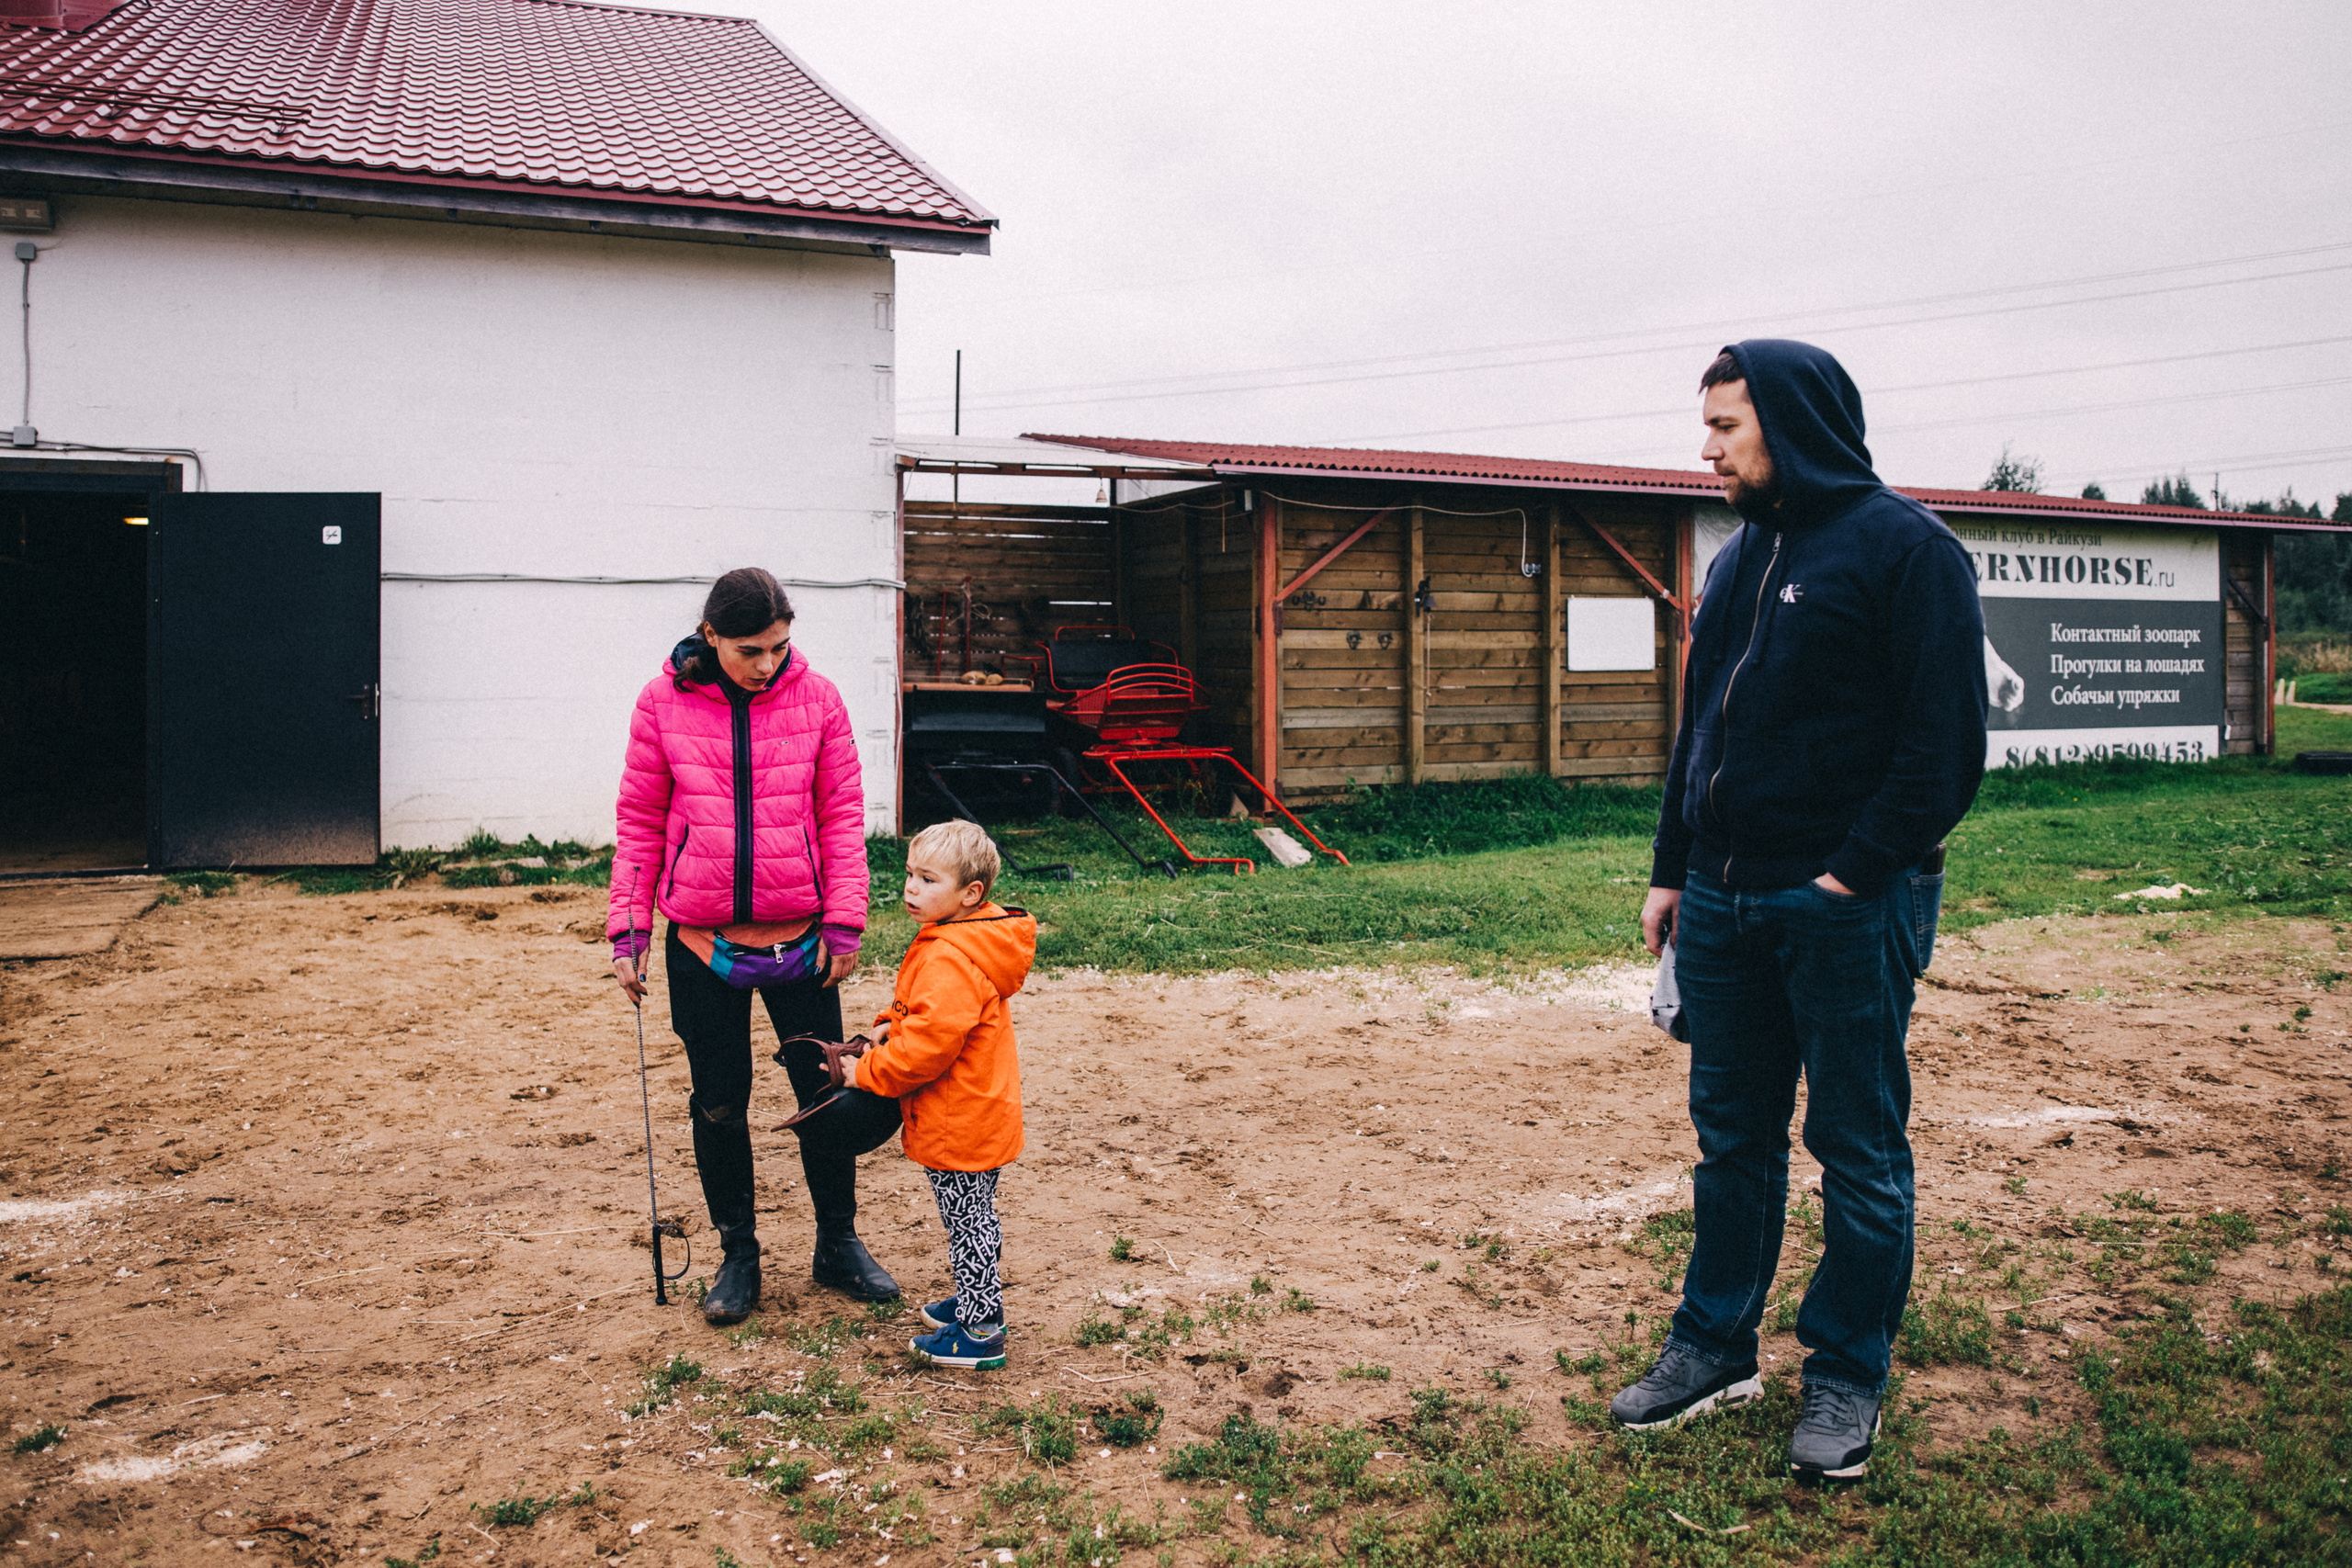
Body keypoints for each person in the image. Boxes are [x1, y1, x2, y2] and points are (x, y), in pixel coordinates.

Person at [1620, 341, 1987, 1483]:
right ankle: (1714, 1345)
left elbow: (1944, 750)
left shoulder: (1906, 553)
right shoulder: (1738, 561)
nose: (1707, 447)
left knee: (1856, 1146)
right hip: (1723, 901)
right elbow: (1701, 735)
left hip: (1844, 903)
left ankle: (1844, 1374)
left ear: (1790, 423)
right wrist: (1672, 867)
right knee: (1731, 1138)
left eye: (1726, 426)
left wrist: (1849, 876)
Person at [608, 567, 903, 1326]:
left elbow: (842, 815)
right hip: (703, 948)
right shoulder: (660, 703)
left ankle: (838, 1242)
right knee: (718, 1101)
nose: (767, 663)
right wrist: (630, 931)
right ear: (711, 636)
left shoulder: (821, 699)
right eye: (749, 649)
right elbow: (641, 820)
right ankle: (738, 1254)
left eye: (778, 646)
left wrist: (846, 920)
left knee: (829, 1095)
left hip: (804, 945)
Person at [835, 819, 1034, 1371]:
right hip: (974, 1108)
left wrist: (867, 1072)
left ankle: (980, 1330)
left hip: (959, 1115)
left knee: (969, 1219)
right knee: (971, 1214)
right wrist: (886, 1025)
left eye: (927, 879)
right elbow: (922, 1012)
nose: (910, 889)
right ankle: (977, 1300)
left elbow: (927, 1051)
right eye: (909, 875)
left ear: (971, 893)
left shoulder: (950, 953)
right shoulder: (962, 936)